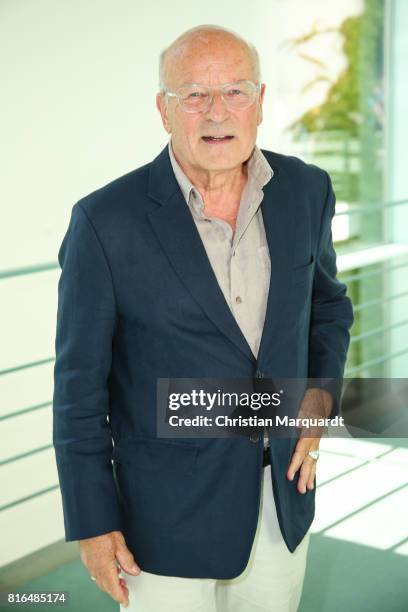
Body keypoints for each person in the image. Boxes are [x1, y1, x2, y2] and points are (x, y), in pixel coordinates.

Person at [52, 24, 354, 612]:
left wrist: (319, 402)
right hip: (159, 522)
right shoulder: (104, 222)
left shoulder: (306, 191)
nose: (217, 112)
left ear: (261, 102)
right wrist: (92, 523)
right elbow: (78, 389)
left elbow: (328, 308)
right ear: (164, 111)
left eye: (235, 91)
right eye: (193, 95)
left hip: (280, 502)